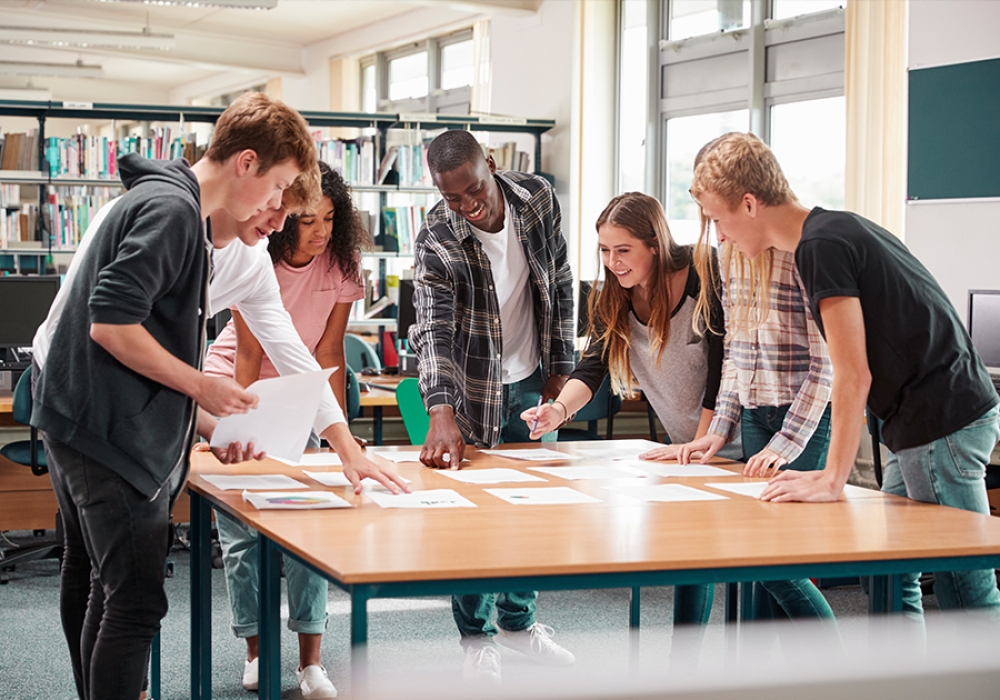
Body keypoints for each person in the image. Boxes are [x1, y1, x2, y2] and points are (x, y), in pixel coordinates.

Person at [28, 92, 306, 700]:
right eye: (278, 186)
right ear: (246, 163)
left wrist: (205, 419)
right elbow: (111, 325)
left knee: (111, 592)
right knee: (135, 603)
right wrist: (202, 386)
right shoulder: (173, 211)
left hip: (88, 417)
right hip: (106, 430)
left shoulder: (173, 205)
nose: (277, 206)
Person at [691, 132, 1000, 617]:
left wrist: (832, 478)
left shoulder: (821, 247)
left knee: (964, 586)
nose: (720, 236)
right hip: (916, 422)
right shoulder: (831, 230)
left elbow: (852, 373)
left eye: (717, 219)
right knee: (889, 575)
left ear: (748, 204)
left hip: (941, 420)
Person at [521, 191, 741, 654]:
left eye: (623, 250)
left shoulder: (703, 273)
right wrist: (557, 410)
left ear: (654, 245)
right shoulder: (615, 297)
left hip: (735, 433)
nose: (612, 262)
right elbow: (592, 367)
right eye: (604, 250)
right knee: (692, 559)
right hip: (690, 446)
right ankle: (683, 669)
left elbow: (723, 368)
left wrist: (703, 442)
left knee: (773, 573)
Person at [202, 161, 386, 698]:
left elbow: (328, 353)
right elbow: (249, 353)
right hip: (237, 384)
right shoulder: (256, 258)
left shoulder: (343, 264)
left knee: (309, 532)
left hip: (301, 391)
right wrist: (242, 427)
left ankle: (311, 662)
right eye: (307, 220)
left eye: (329, 219)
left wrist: (339, 437)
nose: (320, 231)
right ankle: (256, 652)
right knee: (242, 536)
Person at [409, 129, 576, 683]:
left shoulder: (537, 197)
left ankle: (519, 625)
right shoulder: (438, 233)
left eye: (474, 189)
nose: (466, 205)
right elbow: (431, 327)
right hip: (472, 388)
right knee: (471, 521)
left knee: (531, 511)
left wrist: (562, 365)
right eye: (451, 196)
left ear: (492, 165)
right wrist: (439, 410)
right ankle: (477, 640)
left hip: (531, 381)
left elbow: (560, 279)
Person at [675, 136, 836, 624]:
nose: (717, 233)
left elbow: (826, 364)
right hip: (753, 414)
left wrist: (786, 444)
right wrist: (718, 429)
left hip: (801, 417)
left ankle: (833, 658)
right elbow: (736, 349)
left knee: (778, 563)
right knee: (759, 563)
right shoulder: (730, 254)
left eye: (718, 218)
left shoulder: (803, 253)